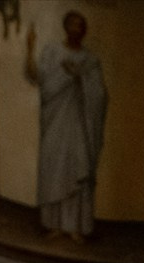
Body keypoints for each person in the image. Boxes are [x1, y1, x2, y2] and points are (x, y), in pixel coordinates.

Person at [26, 10, 107, 241]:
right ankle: (53, 224)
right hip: (55, 122)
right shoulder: (52, 52)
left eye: (80, 25)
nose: (76, 28)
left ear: (84, 31)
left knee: (77, 166)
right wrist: (30, 48)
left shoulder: (91, 62)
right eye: (72, 23)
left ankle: (76, 226)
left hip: (80, 125)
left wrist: (80, 77)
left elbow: (100, 96)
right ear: (64, 26)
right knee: (55, 167)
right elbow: (37, 77)